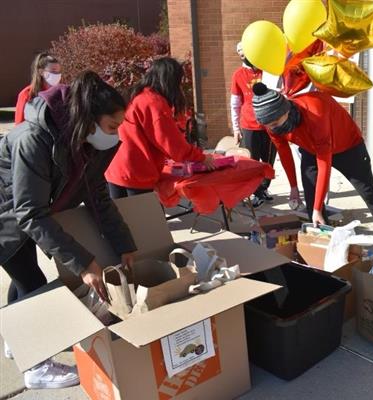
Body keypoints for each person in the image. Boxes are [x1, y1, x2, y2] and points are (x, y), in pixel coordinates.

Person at [0, 71, 137, 388]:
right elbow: (30, 212)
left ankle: (18, 338)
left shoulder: (86, 142)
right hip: (6, 212)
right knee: (31, 280)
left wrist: (125, 245)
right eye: (112, 127)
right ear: (90, 120)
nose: (116, 135)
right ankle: (35, 367)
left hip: (23, 209)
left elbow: (98, 198)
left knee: (24, 276)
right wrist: (84, 263)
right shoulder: (34, 139)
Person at [251, 82, 373, 255]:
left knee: (368, 192)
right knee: (312, 198)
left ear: (286, 110)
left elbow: (324, 162)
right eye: (269, 126)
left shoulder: (314, 111)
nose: (273, 128)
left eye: (276, 122)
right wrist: (293, 187)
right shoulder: (271, 124)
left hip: (347, 146)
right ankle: (327, 248)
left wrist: (317, 208)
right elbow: (284, 153)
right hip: (310, 148)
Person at [105, 57, 214, 198]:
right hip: (135, 172)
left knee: (122, 217)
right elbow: (172, 144)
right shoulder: (153, 102)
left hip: (116, 167)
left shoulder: (136, 95)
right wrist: (202, 158)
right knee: (148, 219)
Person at [230, 42, 277, 207]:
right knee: (251, 163)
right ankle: (256, 193)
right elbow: (235, 104)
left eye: (245, 51)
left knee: (268, 162)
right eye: (240, 52)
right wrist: (236, 128)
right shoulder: (238, 75)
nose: (243, 55)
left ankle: (263, 189)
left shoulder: (268, 71)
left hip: (270, 125)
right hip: (249, 126)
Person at [14, 53, 61, 124]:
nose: (57, 74)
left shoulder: (61, 93)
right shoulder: (27, 93)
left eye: (59, 71)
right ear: (41, 72)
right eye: (53, 71)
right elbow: (19, 124)